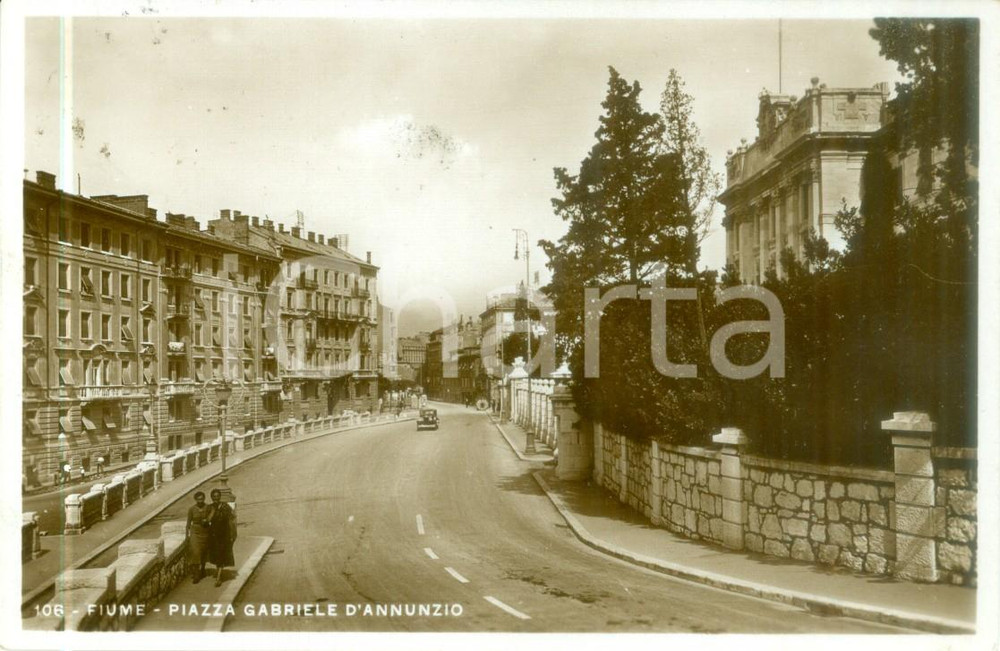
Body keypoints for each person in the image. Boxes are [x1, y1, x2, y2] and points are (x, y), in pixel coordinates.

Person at [205, 488, 237, 587]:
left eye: (217, 496)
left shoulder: (225, 507)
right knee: (215, 555)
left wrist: (233, 534)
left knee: (222, 554)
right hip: (213, 535)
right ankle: (219, 571)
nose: (216, 498)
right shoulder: (209, 508)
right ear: (211, 497)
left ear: (220, 497)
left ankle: (219, 577)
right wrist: (213, 512)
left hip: (224, 534)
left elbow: (231, 520)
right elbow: (206, 522)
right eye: (214, 497)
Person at [185, 491, 211, 583]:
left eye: (202, 499)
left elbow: (211, 518)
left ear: (204, 498)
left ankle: (203, 569)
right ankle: (196, 575)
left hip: (205, 532)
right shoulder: (191, 509)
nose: (200, 501)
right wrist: (187, 536)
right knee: (196, 552)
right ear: (195, 500)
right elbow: (188, 523)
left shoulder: (208, 507)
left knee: (204, 552)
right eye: (198, 499)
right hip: (195, 532)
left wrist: (207, 521)